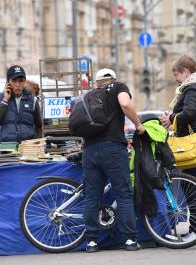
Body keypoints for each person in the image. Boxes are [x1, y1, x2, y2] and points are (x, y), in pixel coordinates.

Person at [82, 68, 145, 253]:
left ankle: (92, 242)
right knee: (123, 194)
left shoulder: (90, 95)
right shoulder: (118, 87)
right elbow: (125, 105)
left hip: (90, 150)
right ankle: (129, 241)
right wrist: (138, 124)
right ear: (113, 79)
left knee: (92, 196)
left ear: (97, 82)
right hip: (113, 150)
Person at [161, 54, 196, 179]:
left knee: (190, 183)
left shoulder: (193, 88)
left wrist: (171, 118)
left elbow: (189, 113)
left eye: (176, 75)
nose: (175, 79)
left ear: (185, 72)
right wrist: (173, 116)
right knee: (194, 181)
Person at [0, 65, 42, 143]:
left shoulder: (32, 100)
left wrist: (35, 144)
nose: (17, 85)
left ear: (24, 81)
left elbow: (39, 126)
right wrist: (5, 100)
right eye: (14, 81)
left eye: (21, 81)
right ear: (8, 82)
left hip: (28, 150)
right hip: (5, 149)